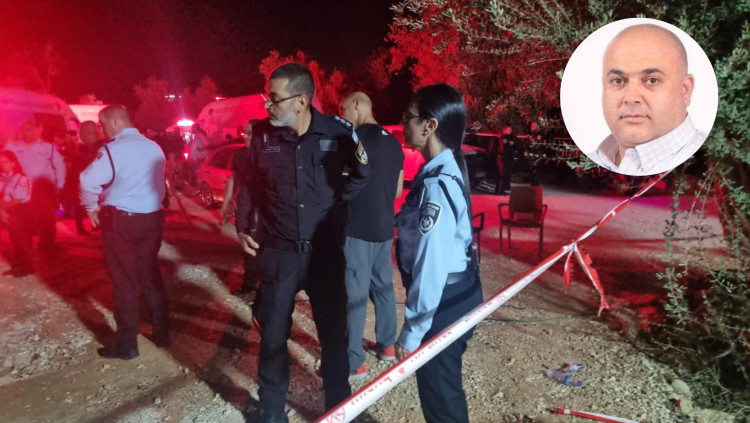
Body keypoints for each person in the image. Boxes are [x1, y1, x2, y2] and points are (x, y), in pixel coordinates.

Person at [234, 63, 371, 423]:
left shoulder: (338, 132)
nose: (267, 105)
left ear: (301, 101)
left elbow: (362, 173)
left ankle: (338, 410)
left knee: (334, 339)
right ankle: (272, 411)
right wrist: (243, 223)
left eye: (275, 98)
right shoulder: (262, 134)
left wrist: (336, 202)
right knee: (273, 338)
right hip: (279, 254)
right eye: (267, 97)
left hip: (324, 256)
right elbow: (249, 183)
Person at [395, 83, 483, 423]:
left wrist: (413, 332)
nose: (403, 123)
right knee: (444, 394)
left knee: (441, 403)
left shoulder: (436, 184)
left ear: (429, 126)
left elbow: (431, 265)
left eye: (409, 116)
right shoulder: (443, 170)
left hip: (443, 305)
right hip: (458, 294)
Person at [79, 105, 170, 360]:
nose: (102, 130)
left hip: (122, 223)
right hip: (152, 220)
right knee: (150, 276)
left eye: (102, 124)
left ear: (115, 121)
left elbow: (87, 181)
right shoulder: (153, 146)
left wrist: (90, 208)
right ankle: (162, 333)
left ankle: (127, 345)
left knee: (124, 283)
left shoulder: (112, 149)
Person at [338, 91, 403, 382]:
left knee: (355, 295)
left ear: (357, 105)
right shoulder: (394, 143)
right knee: (383, 288)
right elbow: (398, 190)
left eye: (344, 109)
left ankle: (355, 364)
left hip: (358, 228)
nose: (343, 115)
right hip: (384, 228)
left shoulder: (354, 140)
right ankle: (387, 346)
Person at [592, 24, 706, 176]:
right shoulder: (589, 162)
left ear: (685, 90)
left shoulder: (712, 167)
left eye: (652, 80)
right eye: (618, 81)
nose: (631, 98)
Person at [3, 120, 66, 257]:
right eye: (24, 130)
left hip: (45, 188)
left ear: (37, 130)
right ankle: (25, 247)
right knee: (24, 220)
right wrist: (10, 142)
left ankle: (48, 244)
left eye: (30, 129)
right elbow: (4, 157)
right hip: (24, 190)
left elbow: (60, 166)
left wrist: (59, 185)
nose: (27, 133)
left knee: (47, 219)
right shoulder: (16, 148)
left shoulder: (48, 147)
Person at [221, 118, 260, 294]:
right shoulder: (240, 154)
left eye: (250, 134)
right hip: (245, 203)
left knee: (262, 244)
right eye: (245, 133)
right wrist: (227, 200)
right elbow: (234, 177)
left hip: (263, 206)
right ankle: (250, 283)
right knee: (245, 240)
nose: (245, 137)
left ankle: (267, 285)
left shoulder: (269, 155)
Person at [0, 150, 33, 277]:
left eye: (5, 162)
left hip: (21, 211)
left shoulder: (21, 178)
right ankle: (18, 265)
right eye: (0, 162)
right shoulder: (3, 178)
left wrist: (2, 207)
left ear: (13, 163)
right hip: (9, 211)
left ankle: (26, 267)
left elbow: (17, 199)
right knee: (15, 240)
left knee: (23, 241)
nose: (2, 165)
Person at [496, 124, 519, 195]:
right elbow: (503, 149)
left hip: (509, 159)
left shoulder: (510, 138)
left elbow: (515, 147)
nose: (510, 131)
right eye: (508, 129)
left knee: (507, 174)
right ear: (505, 130)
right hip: (503, 159)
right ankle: (501, 190)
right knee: (503, 175)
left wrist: (513, 145)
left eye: (510, 130)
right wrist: (509, 145)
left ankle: (506, 188)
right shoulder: (502, 138)